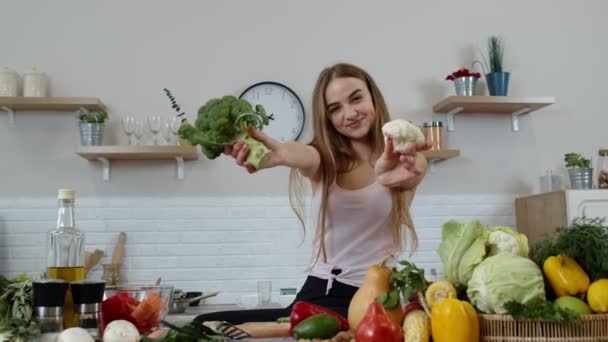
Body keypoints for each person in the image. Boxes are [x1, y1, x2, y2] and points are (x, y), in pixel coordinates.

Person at [194, 62, 430, 325]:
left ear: (373, 97)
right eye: (335, 108)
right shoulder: (324, 158)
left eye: (356, 99)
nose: (349, 113)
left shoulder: (403, 159)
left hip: (382, 298)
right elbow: (302, 154)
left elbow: (417, 168)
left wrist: (414, 167)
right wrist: (281, 153)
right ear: (327, 118)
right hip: (327, 296)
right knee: (204, 324)